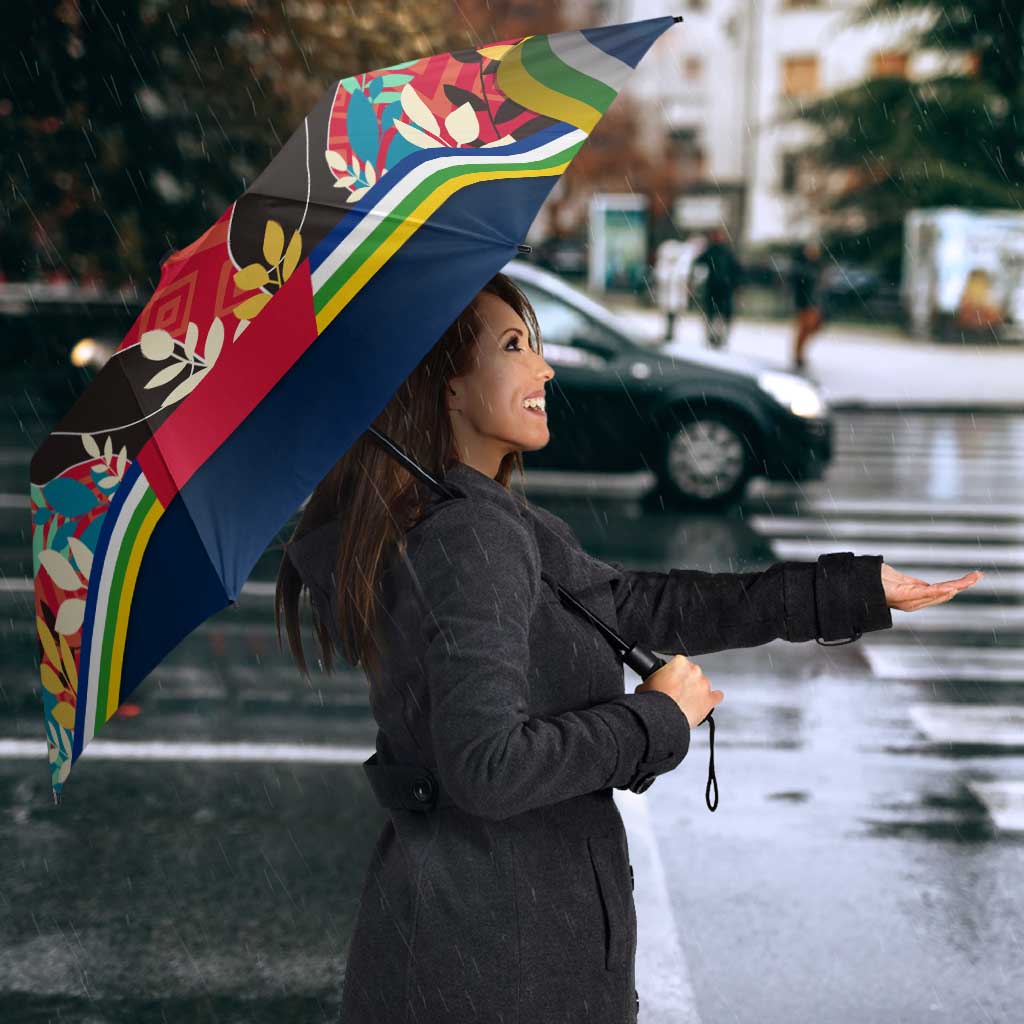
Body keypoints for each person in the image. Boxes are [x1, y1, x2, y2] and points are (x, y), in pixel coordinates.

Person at [274, 272, 980, 1024]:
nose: (544, 368)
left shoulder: (470, 517)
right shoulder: (471, 536)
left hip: (474, 941)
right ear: (446, 386)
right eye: (514, 347)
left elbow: (640, 605)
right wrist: (656, 719)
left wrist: (848, 591)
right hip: (500, 963)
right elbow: (488, 767)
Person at [692, 226, 742, 349]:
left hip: (722, 289)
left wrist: (735, 284)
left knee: (719, 315)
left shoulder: (724, 252)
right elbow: (698, 263)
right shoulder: (714, 251)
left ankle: (719, 337)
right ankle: (713, 337)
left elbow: (736, 270)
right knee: (714, 314)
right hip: (716, 288)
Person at [790, 239, 826, 370]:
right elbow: (799, 286)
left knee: (812, 327)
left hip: (814, 303)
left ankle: (799, 354)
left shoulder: (816, 266)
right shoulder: (802, 267)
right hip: (805, 303)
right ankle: (798, 355)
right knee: (804, 329)